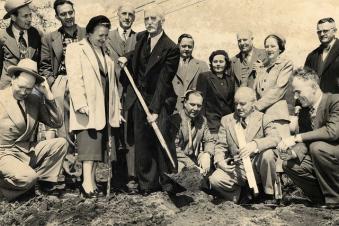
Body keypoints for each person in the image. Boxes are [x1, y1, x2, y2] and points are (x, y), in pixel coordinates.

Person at [118, 6, 180, 195]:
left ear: (162, 20)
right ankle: (146, 184)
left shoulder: (171, 48)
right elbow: (136, 55)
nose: (149, 22)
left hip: (159, 100)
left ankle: (166, 180)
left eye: (153, 18)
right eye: (146, 19)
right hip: (139, 97)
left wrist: (154, 110)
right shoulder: (141, 38)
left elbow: (163, 81)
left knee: (159, 140)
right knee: (142, 141)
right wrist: (125, 58)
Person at [65, 15, 121, 198]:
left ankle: (92, 181)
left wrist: (116, 108)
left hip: (103, 105)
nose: (103, 39)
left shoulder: (106, 54)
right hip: (88, 105)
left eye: (106, 36)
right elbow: (74, 78)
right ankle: (86, 183)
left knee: (98, 147)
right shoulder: (76, 49)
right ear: (89, 33)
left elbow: (112, 85)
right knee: (89, 146)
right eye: (100, 36)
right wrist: (80, 103)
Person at [0, 58, 68, 201]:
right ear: (13, 79)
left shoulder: (33, 100)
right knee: (28, 177)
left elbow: (56, 123)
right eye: (21, 87)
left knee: (60, 143)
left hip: (25, 150)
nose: (24, 92)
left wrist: (48, 94)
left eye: (29, 88)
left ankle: (44, 186)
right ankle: (7, 190)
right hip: (3, 153)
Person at [277, 68, 339, 209]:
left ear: (314, 87)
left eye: (298, 92)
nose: (296, 97)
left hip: (333, 157)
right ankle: (322, 199)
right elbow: (305, 143)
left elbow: (332, 131)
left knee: (317, 148)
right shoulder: (305, 112)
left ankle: (335, 198)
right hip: (322, 159)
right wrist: (292, 153)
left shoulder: (335, 101)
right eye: (294, 93)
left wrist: (296, 137)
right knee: (289, 164)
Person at [209, 87, 280, 204]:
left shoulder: (263, 118)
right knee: (215, 180)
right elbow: (220, 146)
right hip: (238, 168)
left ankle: (268, 194)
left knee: (268, 154)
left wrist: (255, 144)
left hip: (258, 166)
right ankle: (242, 196)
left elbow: (275, 138)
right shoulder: (227, 120)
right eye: (236, 104)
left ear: (253, 103)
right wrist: (220, 161)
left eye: (242, 104)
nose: (238, 107)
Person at [39, 0, 86, 154]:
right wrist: (53, 85)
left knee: (84, 121)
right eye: (63, 14)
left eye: (70, 12)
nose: (68, 16)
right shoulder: (49, 37)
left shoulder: (86, 34)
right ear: (57, 16)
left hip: (84, 80)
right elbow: (45, 65)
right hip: (62, 79)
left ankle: (87, 163)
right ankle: (69, 166)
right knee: (63, 125)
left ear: (74, 11)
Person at [106, 3, 137, 188]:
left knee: (130, 134)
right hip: (111, 90)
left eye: (130, 14)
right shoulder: (107, 36)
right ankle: (115, 177)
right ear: (117, 15)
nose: (127, 17)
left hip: (131, 92)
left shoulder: (139, 37)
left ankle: (132, 177)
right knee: (113, 134)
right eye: (124, 13)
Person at [0, 0, 42, 89]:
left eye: (30, 15)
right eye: (25, 16)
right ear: (13, 17)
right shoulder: (2, 36)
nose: (30, 19)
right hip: (8, 87)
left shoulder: (37, 33)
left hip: (31, 87)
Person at [172, 90, 215, 176]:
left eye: (199, 106)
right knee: (181, 170)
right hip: (180, 159)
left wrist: (207, 154)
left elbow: (209, 140)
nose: (195, 109)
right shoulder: (176, 119)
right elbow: (174, 148)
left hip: (194, 157)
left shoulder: (202, 120)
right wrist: (191, 165)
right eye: (192, 104)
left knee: (208, 166)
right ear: (185, 103)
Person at [196, 50, 235, 137]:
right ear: (211, 63)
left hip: (227, 123)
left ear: (226, 63)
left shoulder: (230, 79)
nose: (218, 64)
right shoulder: (205, 77)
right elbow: (201, 102)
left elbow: (231, 103)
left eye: (221, 62)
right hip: (211, 123)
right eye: (215, 61)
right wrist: (202, 124)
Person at [172, 34, 209, 112]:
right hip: (172, 109)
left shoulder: (202, 65)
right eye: (184, 46)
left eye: (190, 46)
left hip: (193, 111)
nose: (187, 49)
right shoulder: (169, 63)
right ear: (178, 45)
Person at [304, 17, 339, 94]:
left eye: (325, 31)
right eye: (319, 32)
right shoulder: (312, 56)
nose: (322, 34)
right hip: (315, 103)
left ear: (334, 31)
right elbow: (304, 82)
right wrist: (298, 104)